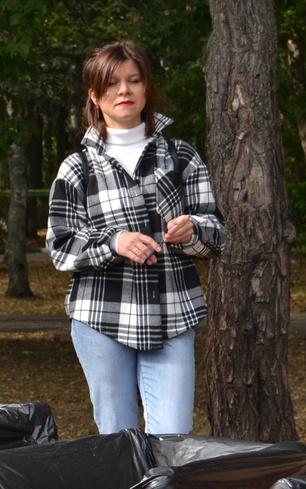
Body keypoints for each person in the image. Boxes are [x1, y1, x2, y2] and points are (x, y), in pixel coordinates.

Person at [47, 40, 225, 435]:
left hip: (173, 315)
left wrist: (192, 229)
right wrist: (114, 242)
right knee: (118, 439)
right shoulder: (77, 167)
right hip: (100, 318)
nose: (123, 91)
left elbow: (218, 234)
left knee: (172, 438)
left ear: (146, 88)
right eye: (111, 83)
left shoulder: (181, 156)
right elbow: (60, 246)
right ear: (95, 94)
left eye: (133, 80)